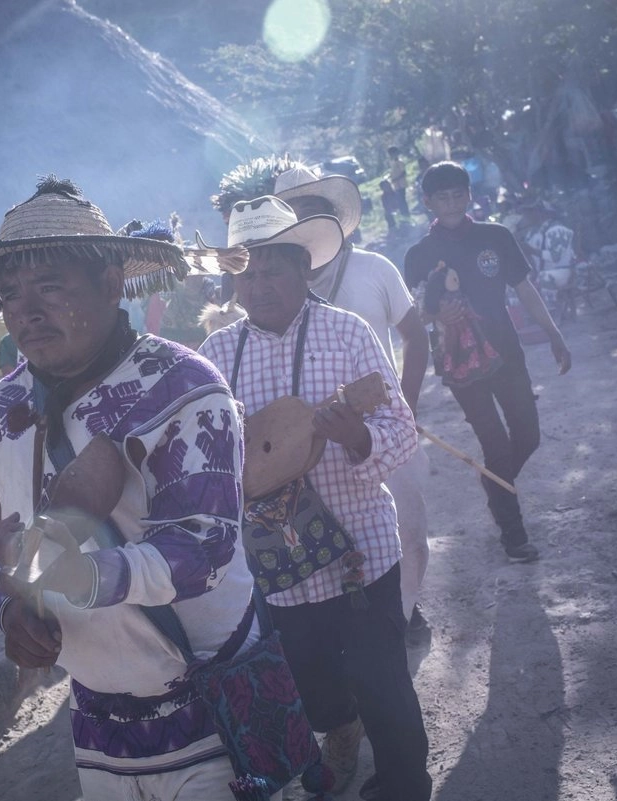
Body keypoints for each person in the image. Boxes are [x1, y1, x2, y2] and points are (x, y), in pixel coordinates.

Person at [0, 177, 260, 799]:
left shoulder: (183, 386)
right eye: (10, 294)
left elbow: (204, 549)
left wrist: (73, 580)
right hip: (98, 718)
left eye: (50, 287)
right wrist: (7, 609)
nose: (25, 311)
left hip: (211, 700)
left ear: (111, 284)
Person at [199, 196, 431, 801]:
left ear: (305, 269)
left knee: (385, 686)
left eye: (273, 268)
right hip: (277, 570)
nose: (259, 284)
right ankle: (340, 726)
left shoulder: (346, 333)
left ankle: (406, 785)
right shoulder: (215, 359)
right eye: (246, 272)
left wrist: (355, 436)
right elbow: (201, 462)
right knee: (314, 688)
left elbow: (403, 434)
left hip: (360, 554)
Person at [273, 165, 434, 651]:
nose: (306, 221)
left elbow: (416, 338)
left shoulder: (374, 268)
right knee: (326, 542)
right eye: (294, 212)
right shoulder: (271, 286)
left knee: (410, 535)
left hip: (382, 433)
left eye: (314, 210)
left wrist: (404, 410)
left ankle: (400, 619)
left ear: (332, 218)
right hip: (309, 444)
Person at [404, 162, 571, 563]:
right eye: (442, 197)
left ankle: (495, 484)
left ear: (469, 195)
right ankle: (514, 535)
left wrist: (553, 332)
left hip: (507, 354)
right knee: (494, 444)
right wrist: (436, 316)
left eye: (458, 194)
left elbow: (524, 287)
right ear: (428, 202)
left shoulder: (495, 236)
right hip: (459, 363)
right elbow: (412, 314)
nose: (451, 202)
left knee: (528, 436)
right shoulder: (419, 254)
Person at [387, 146, 411, 218]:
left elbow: (403, 173)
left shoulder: (400, 162)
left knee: (402, 200)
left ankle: (406, 214)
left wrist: (396, 179)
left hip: (401, 184)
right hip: (396, 185)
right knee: (400, 201)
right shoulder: (392, 163)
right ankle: (404, 214)